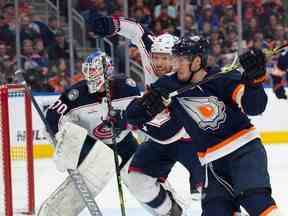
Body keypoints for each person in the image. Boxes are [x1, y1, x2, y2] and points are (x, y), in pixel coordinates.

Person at [92, 16, 245, 216]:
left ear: (177, 59)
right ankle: (171, 212)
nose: (159, 63)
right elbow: (137, 30)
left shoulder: (186, 78)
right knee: (137, 182)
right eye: (156, 57)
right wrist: (112, 25)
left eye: (165, 58)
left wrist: (127, 120)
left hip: (192, 141)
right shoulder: (151, 52)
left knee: (214, 193)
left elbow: (169, 130)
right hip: (160, 141)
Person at [125, 35, 281, 215]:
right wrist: (145, 106)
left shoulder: (224, 78)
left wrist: (255, 81)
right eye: (175, 58)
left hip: (244, 151)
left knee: (255, 201)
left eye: (181, 59)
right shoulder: (168, 85)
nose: (175, 64)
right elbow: (133, 117)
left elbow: (255, 107)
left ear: (197, 61)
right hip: (212, 163)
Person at [37, 50, 141, 215]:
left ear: (107, 71)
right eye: (88, 70)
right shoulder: (77, 94)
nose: (90, 75)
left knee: (142, 176)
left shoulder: (126, 87)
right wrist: (60, 144)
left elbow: (139, 116)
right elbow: (51, 117)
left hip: (123, 141)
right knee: (76, 138)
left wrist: (125, 122)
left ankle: (168, 207)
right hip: (93, 147)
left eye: (95, 71)